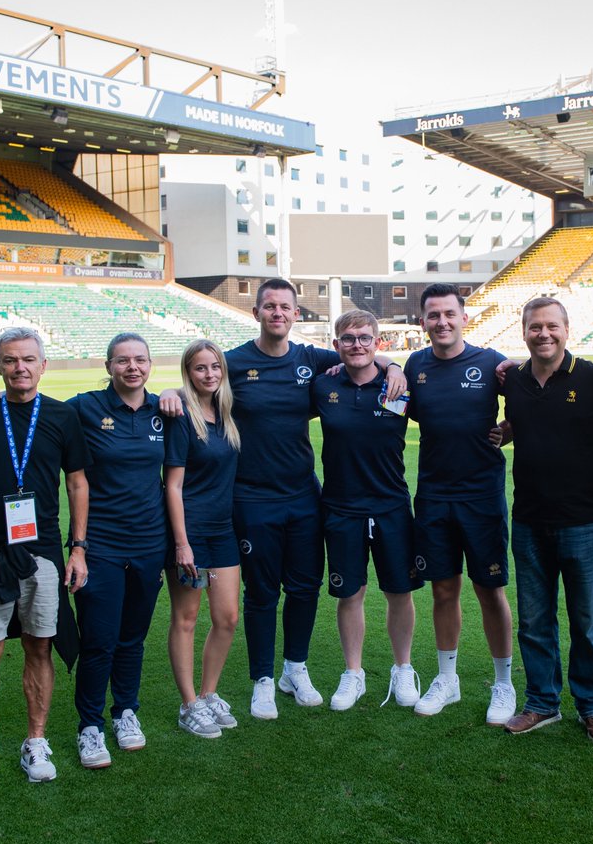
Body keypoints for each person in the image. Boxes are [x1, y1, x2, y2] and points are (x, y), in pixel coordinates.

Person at [160, 278, 405, 721]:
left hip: (304, 495)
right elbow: (199, 380)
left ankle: (295, 669)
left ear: (295, 314)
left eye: (285, 307)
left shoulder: (311, 359)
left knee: (305, 587)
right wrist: (169, 392)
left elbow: (361, 354)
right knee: (262, 593)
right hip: (252, 498)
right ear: (256, 313)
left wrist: (394, 366)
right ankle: (262, 680)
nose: (277, 313)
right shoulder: (234, 362)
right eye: (269, 306)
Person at [0, 328, 89, 792]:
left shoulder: (63, 416)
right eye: (10, 360)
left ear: (43, 365)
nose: (19, 367)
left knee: (39, 645)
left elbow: (77, 483)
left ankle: (35, 742)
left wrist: (78, 547)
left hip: (41, 549)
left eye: (28, 359)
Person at [501, 298, 593, 741]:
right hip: (529, 519)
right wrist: (503, 432)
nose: (544, 334)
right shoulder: (513, 379)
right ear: (524, 332)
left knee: (586, 622)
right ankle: (541, 702)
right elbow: (520, 422)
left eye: (552, 326)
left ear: (567, 330)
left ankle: (592, 706)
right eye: (535, 327)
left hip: (584, 522)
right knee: (534, 620)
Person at [403, 283, 516, 725]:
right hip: (433, 495)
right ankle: (447, 679)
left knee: (490, 590)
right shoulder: (415, 365)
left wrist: (509, 428)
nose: (442, 322)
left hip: (482, 495)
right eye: (433, 315)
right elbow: (398, 407)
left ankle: (503, 682)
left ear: (464, 318)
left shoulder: (491, 362)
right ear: (423, 321)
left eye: (449, 314)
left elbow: (534, 398)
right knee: (443, 589)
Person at [311, 310, 423, 710]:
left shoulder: (398, 386)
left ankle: (403, 668)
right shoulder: (323, 386)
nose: (356, 344)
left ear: (378, 342)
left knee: (399, 592)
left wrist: (394, 367)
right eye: (348, 338)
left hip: (391, 504)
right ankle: (353, 673)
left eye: (364, 338)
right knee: (350, 593)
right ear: (336, 344)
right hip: (341, 507)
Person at [68, 333, 167, 768]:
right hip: (100, 545)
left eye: (140, 360)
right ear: (108, 366)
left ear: (150, 364)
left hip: (150, 544)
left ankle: (125, 712)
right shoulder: (85, 407)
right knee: (99, 640)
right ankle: (89, 726)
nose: (132, 367)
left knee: (132, 639)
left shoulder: (163, 409)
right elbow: (36, 413)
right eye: (123, 360)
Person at [164, 340, 242, 738]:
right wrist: (182, 543)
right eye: (200, 368)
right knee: (187, 618)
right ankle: (189, 703)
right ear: (188, 372)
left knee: (227, 617)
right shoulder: (181, 415)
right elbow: (173, 486)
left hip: (223, 530)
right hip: (189, 534)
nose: (209, 374)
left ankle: (209, 693)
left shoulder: (226, 413)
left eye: (215, 367)